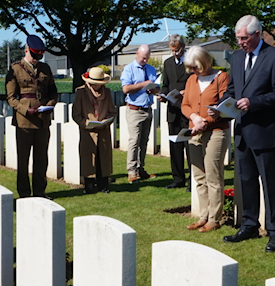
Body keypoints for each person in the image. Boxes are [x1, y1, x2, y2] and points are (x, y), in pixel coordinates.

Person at [220, 15, 275, 253]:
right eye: (238, 38)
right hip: (242, 130)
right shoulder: (238, 57)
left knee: (270, 183)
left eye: (244, 38)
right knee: (246, 181)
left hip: (265, 130)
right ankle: (249, 224)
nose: (240, 42)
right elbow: (232, 89)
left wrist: (255, 102)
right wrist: (222, 104)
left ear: (257, 34)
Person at [181, 46, 230, 233]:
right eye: (191, 68)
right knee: (199, 176)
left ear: (205, 62)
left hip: (216, 131)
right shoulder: (191, 80)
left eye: (196, 67)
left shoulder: (221, 77)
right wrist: (194, 117)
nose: (193, 71)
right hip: (195, 131)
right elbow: (185, 104)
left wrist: (207, 120)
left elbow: (225, 105)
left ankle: (214, 218)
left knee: (213, 175)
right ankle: (203, 216)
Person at [6, 35, 58, 198]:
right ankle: (24, 194)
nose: (36, 59)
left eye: (39, 56)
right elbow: (11, 98)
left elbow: (53, 91)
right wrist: (25, 109)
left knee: (41, 159)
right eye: (34, 55)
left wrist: (50, 104)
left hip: (43, 121)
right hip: (24, 121)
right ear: (26, 50)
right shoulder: (15, 69)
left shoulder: (45, 69)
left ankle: (40, 192)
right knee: (23, 160)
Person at [72, 66, 117, 194]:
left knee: (104, 158)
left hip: (103, 130)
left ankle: (103, 185)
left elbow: (112, 112)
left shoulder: (107, 93)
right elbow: (76, 114)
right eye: (94, 84)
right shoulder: (81, 93)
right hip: (88, 132)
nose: (97, 86)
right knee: (88, 159)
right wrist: (86, 124)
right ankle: (89, 185)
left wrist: (106, 121)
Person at [121, 44, 159, 183]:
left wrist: (154, 89)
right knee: (134, 141)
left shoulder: (151, 69)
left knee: (144, 142)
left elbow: (156, 87)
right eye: (143, 58)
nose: (145, 61)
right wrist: (144, 84)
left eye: (147, 58)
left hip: (147, 109)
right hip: (134, 110)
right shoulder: (129, 69)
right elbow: (126, 88)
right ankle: (131, 171)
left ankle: (141, 169)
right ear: (137, 54)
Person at [160, 35, 190, 190]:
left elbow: (196, 83)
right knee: (175, 146)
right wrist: (162, 95)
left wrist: (186, 92)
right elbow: (166, 84)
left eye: (177, 50)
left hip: (187, 109)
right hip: (172, 110)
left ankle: (193, 179)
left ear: (183, 47)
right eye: (172, 51)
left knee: (190, 147)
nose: (175, 53)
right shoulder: (168, 63)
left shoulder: (191, 62)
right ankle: (178, 178)